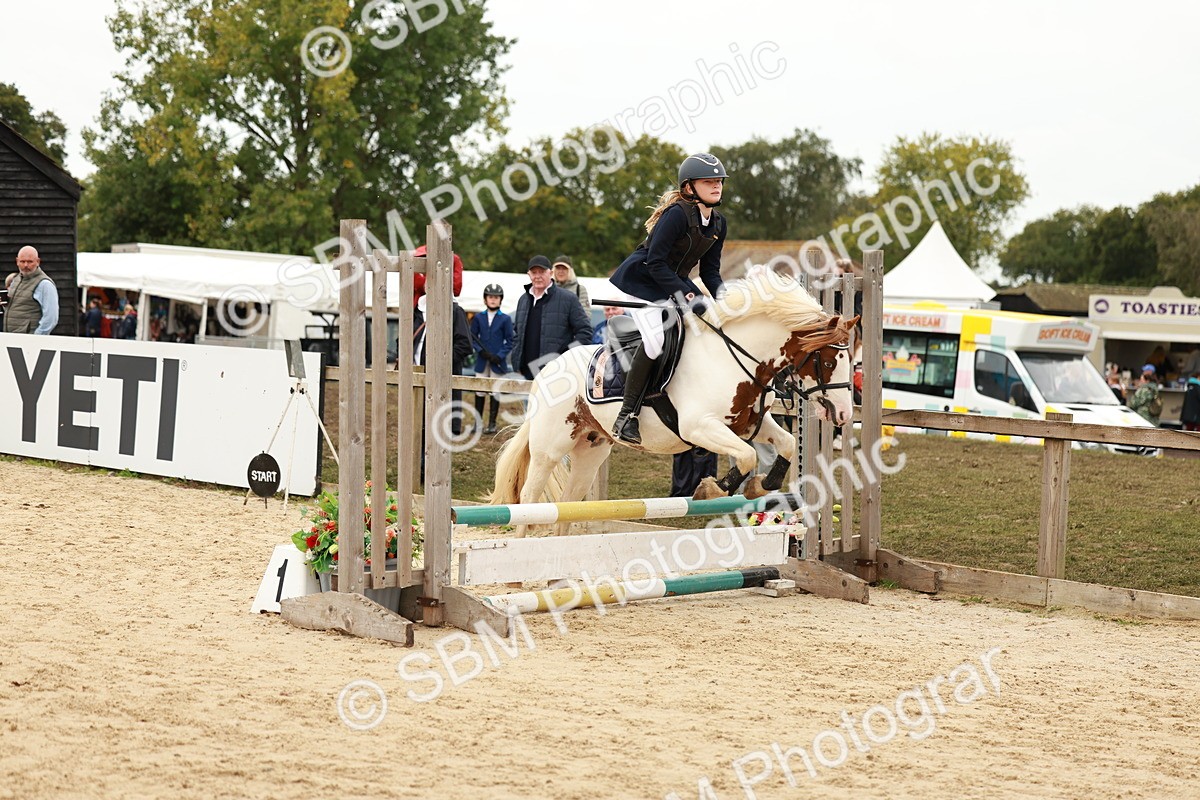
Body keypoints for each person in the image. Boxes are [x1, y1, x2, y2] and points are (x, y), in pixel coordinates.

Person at [606, 153, 729, 444]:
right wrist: (688, 295)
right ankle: (627, 415)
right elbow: (655, 263)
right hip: (642, 281)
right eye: (708, 181)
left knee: (706, 326)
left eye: (719, 181)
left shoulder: (718, 224)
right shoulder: (677, 214)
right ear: (689, 187)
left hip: (673, 281)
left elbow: (711, 273)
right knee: (657, 339)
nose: (716, 186)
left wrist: (725, 301)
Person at [510, 255, 592, 380]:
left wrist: (566, 358)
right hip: (526, 373)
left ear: (550, 273)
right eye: (534, 272)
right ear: (529, 274)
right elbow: (517, 334)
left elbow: (585, 332)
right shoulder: (523, 299)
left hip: (556, 374)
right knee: (529, 400)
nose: (538, 276)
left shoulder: (568, 299)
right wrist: (517, 364)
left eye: (542, 272)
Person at [470, 284, 514, 435]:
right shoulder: (478, 317)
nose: (493, 300)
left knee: (495, 391)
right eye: (490, 297)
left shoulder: (505, 319)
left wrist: (500, 355)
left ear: (500, 300)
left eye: (496, 297)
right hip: (482, 360)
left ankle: (492, 424)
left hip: (497, 361)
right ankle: (478, 423)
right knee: (479, 391)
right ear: (485, 299)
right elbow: (473, 337)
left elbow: (510, 340)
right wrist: (480, 351)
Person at [3, 246, 58, 335]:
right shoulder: (16, 280)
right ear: (17, 261)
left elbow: (51, 318)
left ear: (38, 262)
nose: (25, 265)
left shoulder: (45, 284)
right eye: (22, 261)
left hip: (29, 342)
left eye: (30, 262)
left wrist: (35, 339)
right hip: (11, 339)